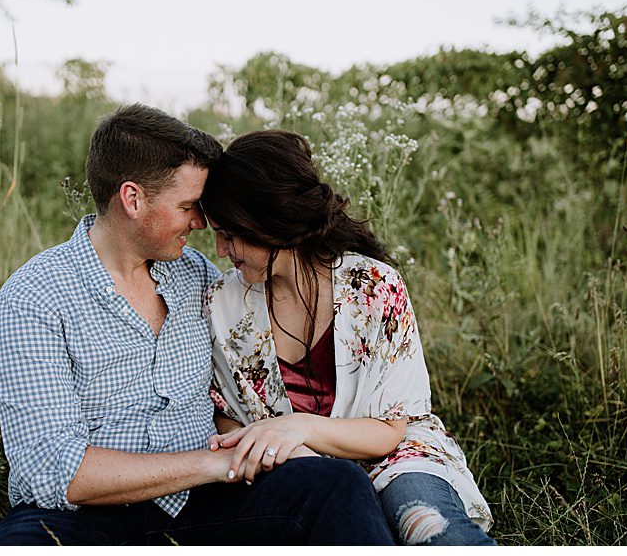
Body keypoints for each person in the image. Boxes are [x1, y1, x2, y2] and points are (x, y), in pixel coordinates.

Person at [0, 104, 394, 545]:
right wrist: (213, 464)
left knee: (335, 485)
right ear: (133, 199)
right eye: (188, 206)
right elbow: (52, 469)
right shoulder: (33, 297)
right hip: (89, 516)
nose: (201, 222)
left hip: (209, 502)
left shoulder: (199, 275)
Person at [199, 129, 494, 545]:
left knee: (429, 528)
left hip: (395, 458)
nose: (220, 250)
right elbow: (229, 417)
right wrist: (288, 455)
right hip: (295, 473)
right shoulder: (222, 304)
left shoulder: (373, 286)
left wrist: (298, 426)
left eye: (231, 234)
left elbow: (389, 431)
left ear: (272, 221)